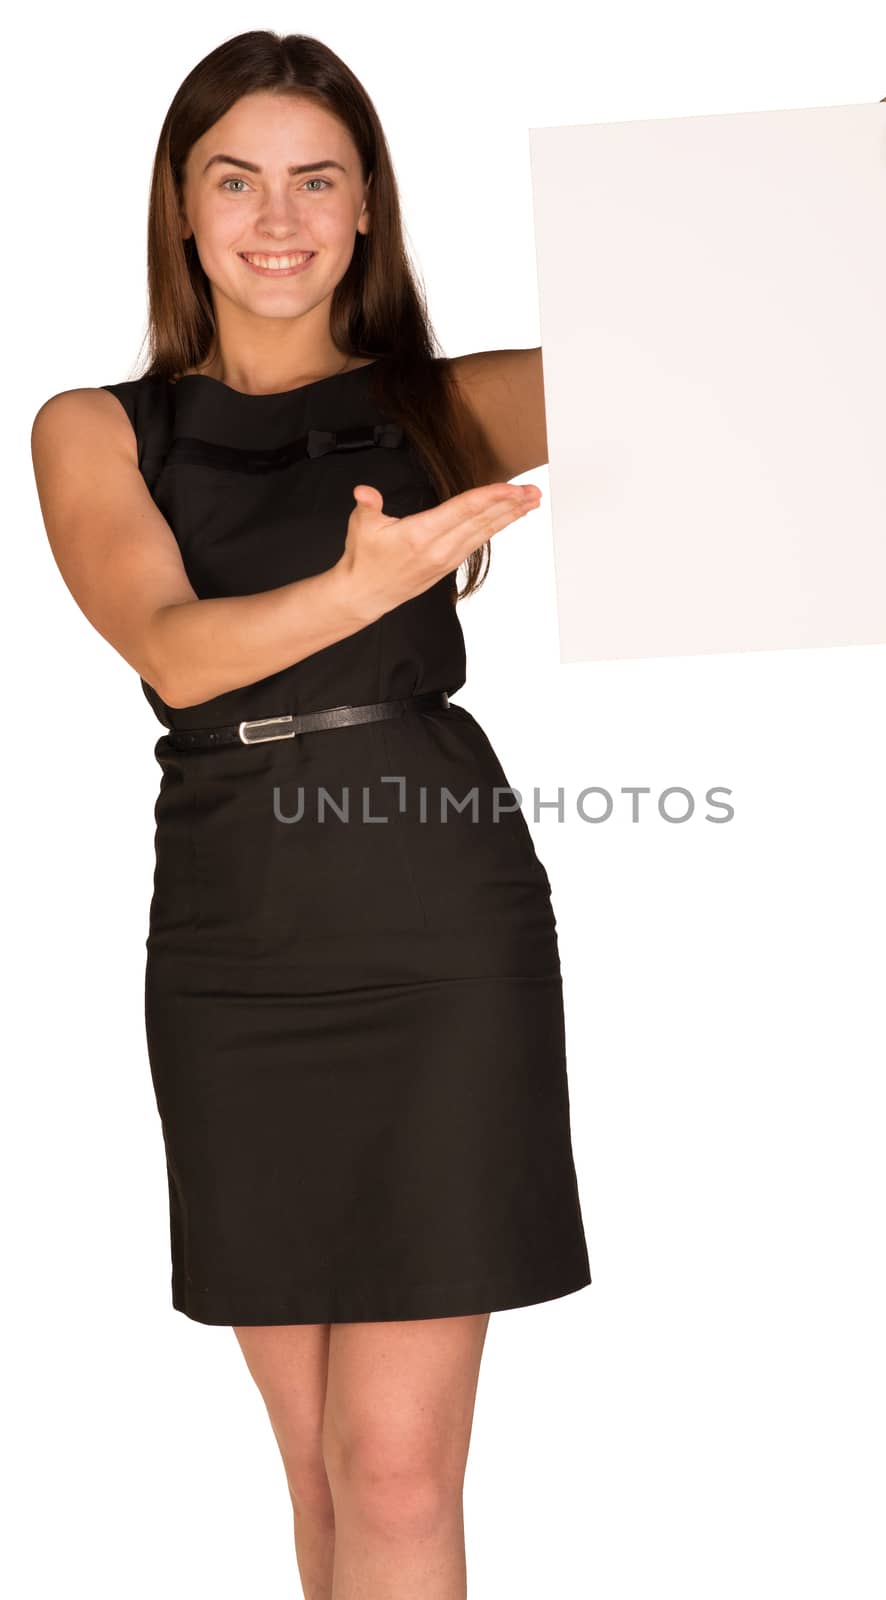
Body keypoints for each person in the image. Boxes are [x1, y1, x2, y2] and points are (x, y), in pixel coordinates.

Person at [30, 29, 589, 1600]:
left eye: (316, 181)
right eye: (238, 180)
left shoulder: (440, 408)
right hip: (233, 942)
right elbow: (172, 645)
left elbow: (725, 325)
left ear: (365, 211)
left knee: (397, 1471)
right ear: (183, 208)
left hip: (436, 925)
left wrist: (885, 177)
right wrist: (351, 586)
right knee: (318, 1466)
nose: (278, 219)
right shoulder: (96, 426)